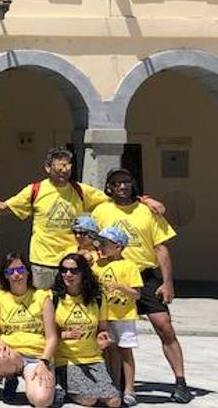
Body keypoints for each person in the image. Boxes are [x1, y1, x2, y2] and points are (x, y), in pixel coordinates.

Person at [0, 148, 162, 291]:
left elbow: (115, 199)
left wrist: (143, 199)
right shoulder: (36, 190)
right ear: (48, 167)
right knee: (45, 307)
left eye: (67, 169)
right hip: (42, 262)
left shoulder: (80, 190)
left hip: (71, 261)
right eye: (59, 169)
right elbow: (2, 208)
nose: (64, 173)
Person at [92, 168, 191, 403]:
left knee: (164, 326)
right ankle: (115, 385)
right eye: (117, 183)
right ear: (109, 187)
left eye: (127, 181)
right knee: (111, 335)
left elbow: (161, 248)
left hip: (145, 277)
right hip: (112, 279)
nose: (123, 186)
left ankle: (180, 382)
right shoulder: (100, 210)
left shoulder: (148, 211)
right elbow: (91, 241)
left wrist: (167, 283)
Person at [0, 251, 59, 408]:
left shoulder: (42, 296)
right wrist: (0, 344)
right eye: (10, 271)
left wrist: (44, 362)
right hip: (12, 354)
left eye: (20, 270)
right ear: (5, 276)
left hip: (37, 356)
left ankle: (49, 387)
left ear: (27, 272)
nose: (16, 275)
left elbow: (52, 337)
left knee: (41, 401)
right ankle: (11, 378)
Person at [52, 254, 120, 407]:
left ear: (84, 273)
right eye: (64, 270)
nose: (68, 275)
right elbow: (45, 334)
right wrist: (66, 334)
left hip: (93, 358)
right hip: (66, 359)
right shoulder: (53, 298)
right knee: (89, 399)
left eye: (74, 271)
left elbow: (102, 329)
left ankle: (77, 387)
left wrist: (103, 338)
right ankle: (63, 386)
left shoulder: (97, 298)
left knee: (114, 401)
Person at [92, 226, 142, 406]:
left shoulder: (129, 266)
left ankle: (129, 388)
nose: (101, 247)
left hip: (124, 316)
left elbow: (137, 294)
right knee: (109, 350)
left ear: (119, 246)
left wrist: (121, 287)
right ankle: (114, 384)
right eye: (101, 243)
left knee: (125, 351)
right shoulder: (98, 264)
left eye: (106, 243)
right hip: (104, 315)